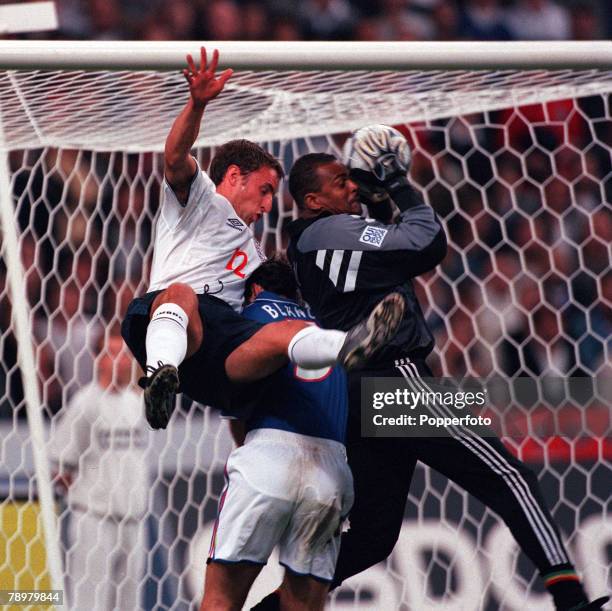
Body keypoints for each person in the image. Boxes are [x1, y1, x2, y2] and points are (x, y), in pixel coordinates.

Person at [252, 125, 607, 611]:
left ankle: (270, 609)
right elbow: (427, 241)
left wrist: (375, 203)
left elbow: (387, 264)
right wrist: (398, 182)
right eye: (340, 183)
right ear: (313, 200)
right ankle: (570, 599)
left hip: (357, 394)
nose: (350, 185)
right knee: (511, 477)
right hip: (398, 378)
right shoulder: (332, 230)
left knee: (375, 535)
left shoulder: (315, 243)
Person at [120, 47, 405, 429]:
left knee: (288, 332)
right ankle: (159, 377)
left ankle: (349, 347)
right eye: (265, 189)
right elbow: (174, 156)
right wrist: (197, 103)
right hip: (175, 324)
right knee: (182, 294)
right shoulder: (199, 200)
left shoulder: (256, 255)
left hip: (219, 355)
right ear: (234, 176)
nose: (269, 204)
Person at [201, 257, 353, 611]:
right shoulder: (326, 334)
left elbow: (237, 411)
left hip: (269, 456)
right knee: (301, 604)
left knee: (221, 600)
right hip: (331, 470)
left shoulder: (248, 321)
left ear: (253, 290)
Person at [49, 332, 149, 611]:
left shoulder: (136, 402)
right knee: (89, 602)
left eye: (124, 354)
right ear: (98, 359)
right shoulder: (85, 403)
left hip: (133, 518)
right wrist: (93, 483)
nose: (120, 361)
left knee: (129, 603)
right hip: (95, 518)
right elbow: (61, 467)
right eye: (112, 353)